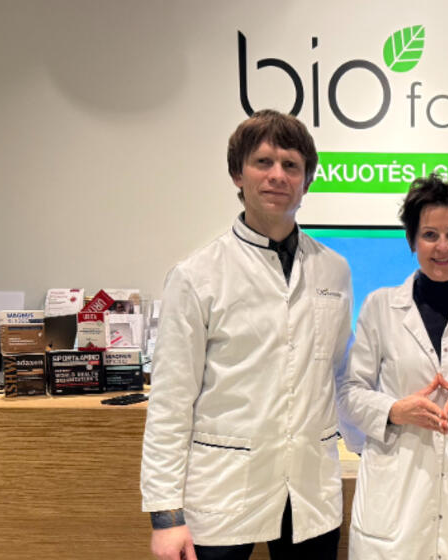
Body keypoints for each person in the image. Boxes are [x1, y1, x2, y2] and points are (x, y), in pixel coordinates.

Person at [141, 109, 352, 560]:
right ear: (238, 174)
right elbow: (171, 402)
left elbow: (337, 372)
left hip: (309, 487)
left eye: (291, 165)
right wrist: (166, 515)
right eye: (263, 162)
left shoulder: (334, 270)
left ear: (307, 181)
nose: (277, 175)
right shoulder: (196, 275)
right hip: (224, 486)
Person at [338, 174, 448, 559]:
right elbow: (349, 393)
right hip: (394, 495)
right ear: (412, 240)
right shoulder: (380, 306)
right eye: (430, 235)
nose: (442, 246)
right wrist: (395, 411)